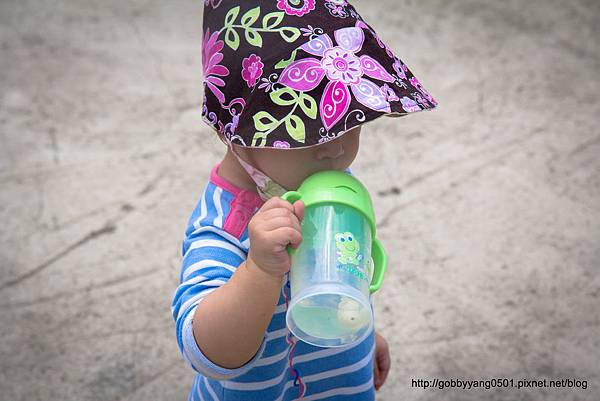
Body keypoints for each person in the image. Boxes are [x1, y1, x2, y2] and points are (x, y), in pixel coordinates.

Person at [171, 1, 438, 399]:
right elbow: (208, 352)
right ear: (235, 131)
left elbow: (338, 272)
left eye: (351, 122)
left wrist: (361, 334)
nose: (335, 150)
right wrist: (259, 271)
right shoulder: (224, 225)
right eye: (308, 132)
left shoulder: (322, 182)